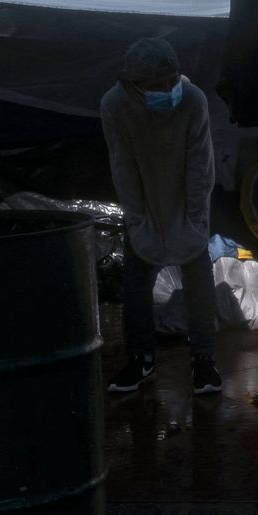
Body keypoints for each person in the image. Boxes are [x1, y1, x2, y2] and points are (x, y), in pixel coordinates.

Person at [101, 38, 222, 396]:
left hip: (186, 203)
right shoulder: (116, 105)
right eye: (156, 86)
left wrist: (196, 220)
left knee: (199, 282)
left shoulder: (192, 100)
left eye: (172, 81)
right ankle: (141, 359)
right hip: (144, 203)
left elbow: (200, 165)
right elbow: (123, 167)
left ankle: (203, 359)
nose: (167, 90)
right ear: (134, 85)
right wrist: (138, 223)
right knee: (136, 286)